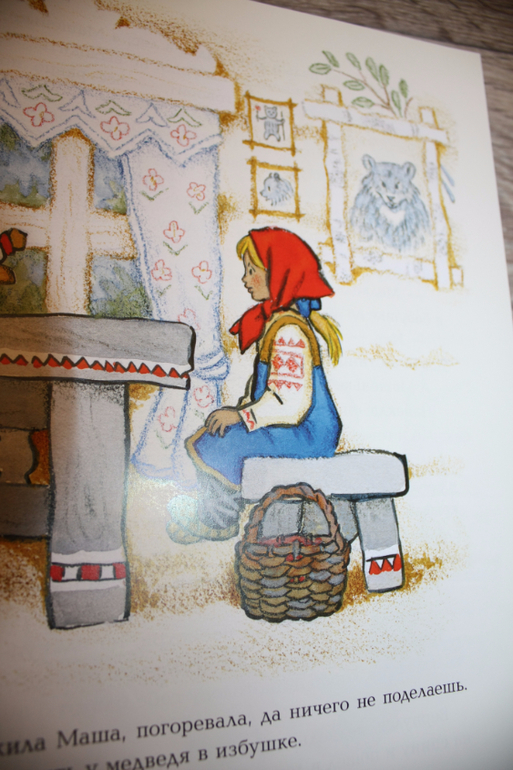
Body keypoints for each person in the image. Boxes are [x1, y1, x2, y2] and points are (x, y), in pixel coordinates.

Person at [166, 227, 343, 544]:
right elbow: (265, 391)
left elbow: (290, 404)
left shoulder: (289, 332)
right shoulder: (278, 324)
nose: (246, 279)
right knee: (219, 433)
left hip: (306, 434)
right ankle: (215, 514)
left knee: (223, 440)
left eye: (252, 270)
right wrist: (241, 412)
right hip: (292, 427)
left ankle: (218, 520)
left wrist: (241, 417)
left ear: (279, 273)